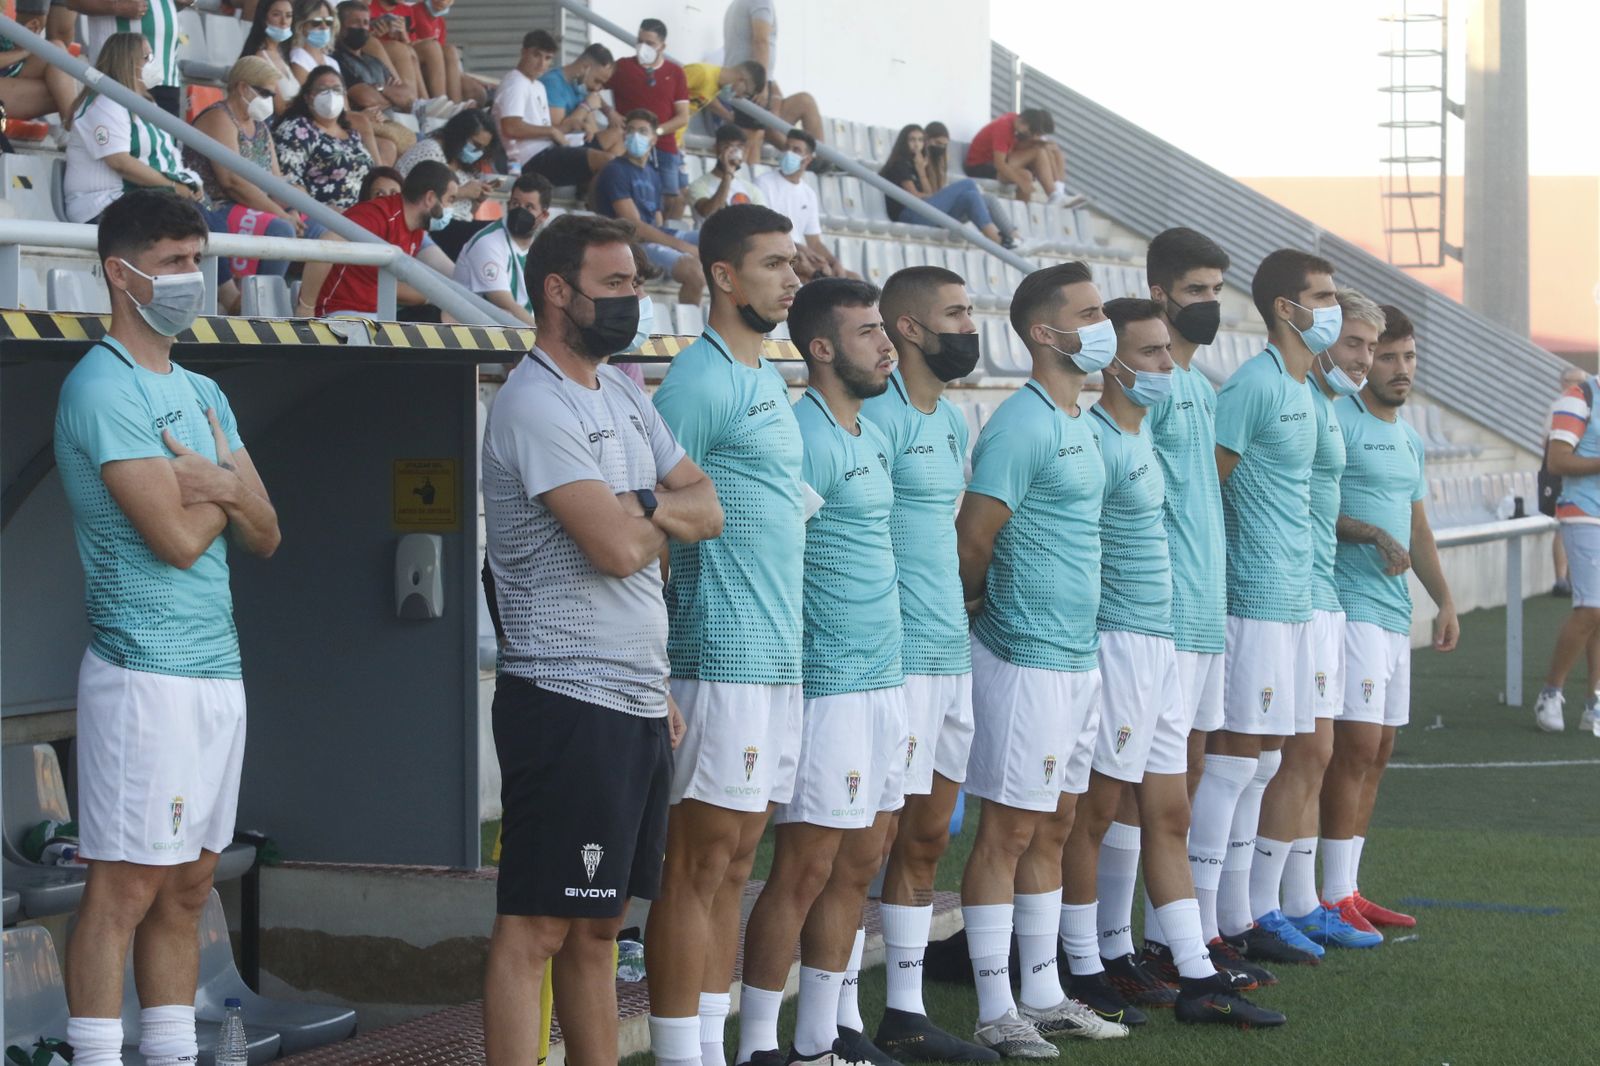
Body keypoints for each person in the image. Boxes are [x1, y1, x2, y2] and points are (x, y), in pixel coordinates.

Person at [480, 211, 722, 1066]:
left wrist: (644, 504)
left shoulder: (619, 388)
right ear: (557, 291)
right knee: (537, 924)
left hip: (630, 692)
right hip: (562, 695)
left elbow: (707, 505)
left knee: (599, 927)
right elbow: (615, 549)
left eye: (636, 285)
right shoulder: (533, 402)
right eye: (615, 285)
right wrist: (655, 515)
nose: (633, 301)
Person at [55, 187, 279, 1066]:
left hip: (216, 674)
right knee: (124, 888)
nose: (197, 278)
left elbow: (268, 531)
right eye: (179, 262)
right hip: (141, 672)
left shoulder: (204, 390)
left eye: (199, 259)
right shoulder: (100, 387)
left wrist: (219, 487)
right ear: (123, 273)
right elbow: (178, 539)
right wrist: (229, 490)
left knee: (188, 889)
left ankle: (173, 1055)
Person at [1057, 296, 1284, 1031]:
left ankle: (1190, 971)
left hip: (1159, 641)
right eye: (1150, 353)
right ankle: (1085, 962)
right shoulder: (1091, 439)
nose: (1166, 365)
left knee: (1169, 808)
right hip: (1117, 640)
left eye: (1164, 351)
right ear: (1113, 362)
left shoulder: (1147, 438)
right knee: (1094, 811)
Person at [644, 204, 805, 1066]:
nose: (790, 277)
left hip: (777, 658)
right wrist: (660, 668)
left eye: (792, 263)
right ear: (724, 277)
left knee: (736, 867)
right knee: (698, 870)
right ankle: (680, 1054)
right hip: (718, 657)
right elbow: (652, 525)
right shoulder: (697, 382)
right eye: (773, 263)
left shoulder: (768, 379)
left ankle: (715, 1046)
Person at [953, 263, 1126, 1058]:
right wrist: (981, 606)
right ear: (1042, 333)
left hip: (1074, 655)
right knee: (1009, 831)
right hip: (1023, 658)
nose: (1103, 326)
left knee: (1055, 822)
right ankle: (996, 1010)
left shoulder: (1079, 422)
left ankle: (1044, 992)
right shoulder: (1021, 425)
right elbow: (975, 535)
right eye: (1088, 314)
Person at [736, 277, 908, 1066]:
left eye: (885, 329)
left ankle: (818, 1042)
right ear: (821, 349)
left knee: (861, 863)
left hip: (884, 681)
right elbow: (777, 557)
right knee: (803, 867)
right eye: (870, 332)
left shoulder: (871, 433)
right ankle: (760, 1046)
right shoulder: (800, 436)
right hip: (827, 683)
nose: (887, 344)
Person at [862, 266, 997, 1062]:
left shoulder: (951, 420)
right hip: (890, 661)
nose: (967, 326)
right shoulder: (871, 415)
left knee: (923, 843)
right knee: (862, 847)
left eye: (970, 310)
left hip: (950, 654)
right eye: (954, 313)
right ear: (907, 328)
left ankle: (904, 1014)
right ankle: (836, 1018)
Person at [1186, 249, 1334, 972]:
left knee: (1266, 763)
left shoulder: (1301, 387)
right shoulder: (1253, 384)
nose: (1331, 309)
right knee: (1234, 762)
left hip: (1292, 599)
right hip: (1249, 597)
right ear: (1285, 307)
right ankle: (1207, 927)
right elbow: (1206, 487)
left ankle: (1240, 915)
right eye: (1322, 297)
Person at [1316, 302, 1458, 936]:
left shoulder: (1409, 436)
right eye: (1387, 356)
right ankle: (1326, 895)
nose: (1400, 369)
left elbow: (1419, 527)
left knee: (1381, 750)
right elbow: (1317, 507)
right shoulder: (1339, 420)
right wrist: (1369, 532)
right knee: (1354, 747)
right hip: (1348, 605)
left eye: (1409, 357)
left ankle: (1348, 887)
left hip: (1394, 613)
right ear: (1365, 359)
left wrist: (1444, 600)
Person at [1253, 289, 1386, 953]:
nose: (1363, 358)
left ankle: (1299, 901)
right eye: (1354, 343)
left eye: (1369, 346)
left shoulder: (1326, 404)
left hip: (1319, 593)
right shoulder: (1287, 395)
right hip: (1286, 597)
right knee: (1282, 757)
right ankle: (1257, 909)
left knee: (1314, 753)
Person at [1129, 227, 1229, 983]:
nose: (1209, 304)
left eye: (1216, 290)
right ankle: (1109, 945)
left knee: (1178, 789)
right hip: (1156, 614)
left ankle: (1166, 940)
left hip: (1202, 611)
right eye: (1196, 291)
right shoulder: (1155, 387)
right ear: (1161, 293)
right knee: (1133, 795)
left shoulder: (1201, 387)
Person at [64, 32, 204, 225]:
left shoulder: (147, 103)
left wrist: (188, 182)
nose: (153, 63)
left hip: (138, 200)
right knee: (189, 223)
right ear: (126, 62)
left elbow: (167, 155)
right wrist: (172, 186)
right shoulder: (104, 103)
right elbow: (120, 162)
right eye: (147, 58)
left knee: (207, 222)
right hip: (102, 205)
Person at [295, 158, 456, 317]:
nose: (451, 209)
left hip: (375, 315)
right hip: (338, 312)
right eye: (450, 200)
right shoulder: (376, 214)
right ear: (430, 198)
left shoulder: (416, 230)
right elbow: (326, 244)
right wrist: (306, 308)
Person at [593, 110, 704, 309]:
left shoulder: (652, 172)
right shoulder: (615, 170)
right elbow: (634, 228)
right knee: (693, 271)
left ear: (653, 139)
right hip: (629, 243)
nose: (636, 135)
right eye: (631, 130)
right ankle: (692, 334)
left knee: (714, 238)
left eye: (643, 131)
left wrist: (678, 245)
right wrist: (681, 247)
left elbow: (658, 222)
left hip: (651, 236)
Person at [492, 30, 616, 189]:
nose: (541, 63)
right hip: (529, 159)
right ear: (523, 52)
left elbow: (548, 128)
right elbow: (511, 127)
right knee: (607, 162)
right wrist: (551, 131)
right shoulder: (515, 82)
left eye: (548, 58)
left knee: (617, 145)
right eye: (536, 55)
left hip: (548, 149)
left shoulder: (538, 86)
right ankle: (593, 201)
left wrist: (574, 126)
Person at [878, 124, 1013, 249]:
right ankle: (997, 238)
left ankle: (1000, 239)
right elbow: (914, 197)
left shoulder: (917, 164)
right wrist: (942, 196)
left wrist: (921, 171)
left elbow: (928, 193)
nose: (916, 145)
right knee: (968, 184)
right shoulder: (899, 164)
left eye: (920, 140)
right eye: (912, 140)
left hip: (923, 214)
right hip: (909, 216)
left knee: (971, 197)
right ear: (904, 143)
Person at [721, 0, 824, 158]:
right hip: (749, 83)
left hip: (746, 82)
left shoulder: (739, 4)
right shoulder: (760, 2)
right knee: (752, 141)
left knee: (805, 101)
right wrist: (760, 85)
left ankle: (815, 158)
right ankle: (802, 159)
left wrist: (771, 93)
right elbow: (761, 41)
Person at [609, 18, 691, 218]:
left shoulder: (675, 72)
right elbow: (592, 87)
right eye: (640, 41)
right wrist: (608, 111)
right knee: (629, 198)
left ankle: (667, 241)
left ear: (662, 46)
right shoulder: (622, 67)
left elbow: (682, 117)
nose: (643, 47)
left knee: (669, 201)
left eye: (650, 43)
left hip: (664, 148)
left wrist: (655, 132)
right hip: (628, 146)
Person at [451, 172, 553, 327]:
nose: (520, 211)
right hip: (476, 334)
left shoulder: (540, 249)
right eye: (515, 203)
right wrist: (546, 341)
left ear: (543, 216)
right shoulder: (488, 242)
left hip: (514, 333)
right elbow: (506, 306)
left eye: (529, 207)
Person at [756, 129, 854, 282]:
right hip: (776, 253)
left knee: (853, 278)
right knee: (812, 272)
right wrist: (803, 250)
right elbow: (766, 231)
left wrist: (834, 262)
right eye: (787, 147)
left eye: (796, 150)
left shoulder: (809, 194)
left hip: (800, 254)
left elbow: (814, 241)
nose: (789, 153)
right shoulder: (764, 183)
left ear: (807, 160)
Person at [272, 66, 377, 209]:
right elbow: (288, 180)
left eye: (336, 90)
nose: (331, 95)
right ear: (308, 97)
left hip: (358, 218)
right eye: (323, 90)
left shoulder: (353, 135)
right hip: (318, 216)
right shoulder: (297, 128)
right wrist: (322, 210)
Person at [395, 106, 495, 251]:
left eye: (482, 149)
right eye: (475, 145)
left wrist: (477, 201)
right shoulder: (430, 151)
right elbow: (418, 196)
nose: (478, 152)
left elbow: (466, 214)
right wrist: (462, 191)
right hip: (428, 225)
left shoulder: (466, 166)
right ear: (460, 134)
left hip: (456, 229)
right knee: (495, 233)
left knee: (495, 234)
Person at [331, 1, 419, 156]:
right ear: (341, 27)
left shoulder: (374, 61)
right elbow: (366, 98)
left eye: (365, 23)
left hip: (396, 123)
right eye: (356, 23)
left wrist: (379, 88)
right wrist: (392, 95)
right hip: (373, 125)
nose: (363, 27)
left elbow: (409, 97)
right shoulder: (338, 60)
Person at [72, 0, 186, 116]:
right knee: (122, 131)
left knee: (163, 133)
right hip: (119, 74)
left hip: (166, 76)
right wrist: (117, 6)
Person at [921, 121, 1017, 248]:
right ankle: (998, 240)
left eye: (944, 145)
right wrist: (921, 169)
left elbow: (939, 191)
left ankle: (1014, 236)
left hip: (942, 213)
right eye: (938, 143)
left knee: (988, 199)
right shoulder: (917, 163)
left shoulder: (938, 162)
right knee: (969, 185)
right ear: (926, 140)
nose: (941, 148)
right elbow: (929, 196)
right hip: (925, 214)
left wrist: (940, 168)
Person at [964, 109, 1076, 207]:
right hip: (979, 167)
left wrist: (1036, 143)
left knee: (1039, 156)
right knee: (1025, 174)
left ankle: (1056, 194)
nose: (1028, 134)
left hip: (995, 163)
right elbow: (1000, 164)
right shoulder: (1003, 127)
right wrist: (1021, 182)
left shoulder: (1015, 120)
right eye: (1029, 132)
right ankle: (1054, 195)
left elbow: (1013, 146)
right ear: (1024, 123)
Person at [1542, 365, 1589, 596]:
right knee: (1564, 528)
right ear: (1562, 383)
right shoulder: (1561, 406)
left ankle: (1572, 578)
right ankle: (1561, 578)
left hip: (1584, 482)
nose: (1576, 384)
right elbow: (1549, 446)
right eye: (1571, 380)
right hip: (1565, 480)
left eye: (1580, 380)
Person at [0, 0, 81, 122]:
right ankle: (77, 128)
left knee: (56, 49)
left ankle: (76, 128)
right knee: (61, 94)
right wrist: (22, 52)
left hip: (7, 70)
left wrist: (22, 36)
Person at [540, 43, 624, 158]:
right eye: (597, 81)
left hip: (579, 142)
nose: (597, 88)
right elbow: (558, 131)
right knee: (616, 137)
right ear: (586, 67)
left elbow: (595, 97)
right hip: (556, 150)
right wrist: (586, 107)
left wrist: (609, 112)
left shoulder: (579, 84)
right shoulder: (553, 84)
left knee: (621, 137)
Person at [686, 125, 764, 221]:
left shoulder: (751, 189)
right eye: (727, 147)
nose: (733, 152)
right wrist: (728, 174)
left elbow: (761, 220)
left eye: (739, 147)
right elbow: (708, 212)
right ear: (716, 149)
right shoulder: (698, 185)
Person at [240, 0, 304, 114]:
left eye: (289, 16)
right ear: (264, 19)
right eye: (276, 15)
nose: (284, 21)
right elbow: (280, 108)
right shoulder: (260, 58)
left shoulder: (282, 53)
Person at [286, 0, 337, 81]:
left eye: (328, 21)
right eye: (316, 22)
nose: (324, 27)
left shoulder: (332, 62)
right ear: (301, 25)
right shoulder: (298, 57)